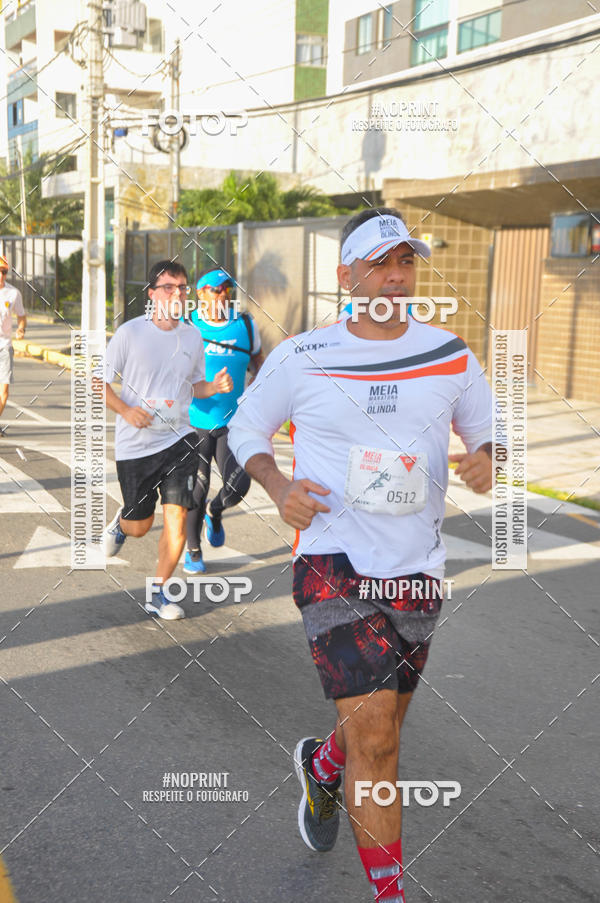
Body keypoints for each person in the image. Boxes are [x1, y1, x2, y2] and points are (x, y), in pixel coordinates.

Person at [228, 208, 494, 901]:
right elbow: (245, 428)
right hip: (331, 557)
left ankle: (322, 765)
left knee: (378, 725)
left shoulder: (450, 354)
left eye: (405, 261)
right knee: (378, 739)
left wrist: (488, 457)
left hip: (417, 568)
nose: (395, 276)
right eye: (380, 263)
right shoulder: (303, 356)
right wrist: (278, 485)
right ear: (347, 275)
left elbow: (488, 430)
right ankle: (390, 893)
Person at [99, 260, 233, 620]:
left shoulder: (192, 336)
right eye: (169, 287)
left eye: (182, 288)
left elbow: (194, 386)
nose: (178, 294)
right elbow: (99, 382)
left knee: (177, 520)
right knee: (140, 526)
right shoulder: (130, 333)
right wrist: (126, 411)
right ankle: (122, 522)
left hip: (180, 440)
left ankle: (157, 593)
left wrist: (214, 387)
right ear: (152, 294)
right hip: (136, 444)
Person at [183, 268, 264, 574]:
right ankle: (193, 551)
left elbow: (259, 360)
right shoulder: (187, 326)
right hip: (194, 422)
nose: (222, 296)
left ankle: (214, 512)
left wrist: (259, 381)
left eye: (227, 290)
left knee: (238, 486)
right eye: (216, 290)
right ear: (200, 294)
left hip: (233, 423)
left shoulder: (245, 324)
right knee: (197, 487)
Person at [0, 254, 26, 437]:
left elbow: (21, 316)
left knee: (4, 390)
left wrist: (21, 329)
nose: (1, 275)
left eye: (4, 272)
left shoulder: (13, 293)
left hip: (4, 346)